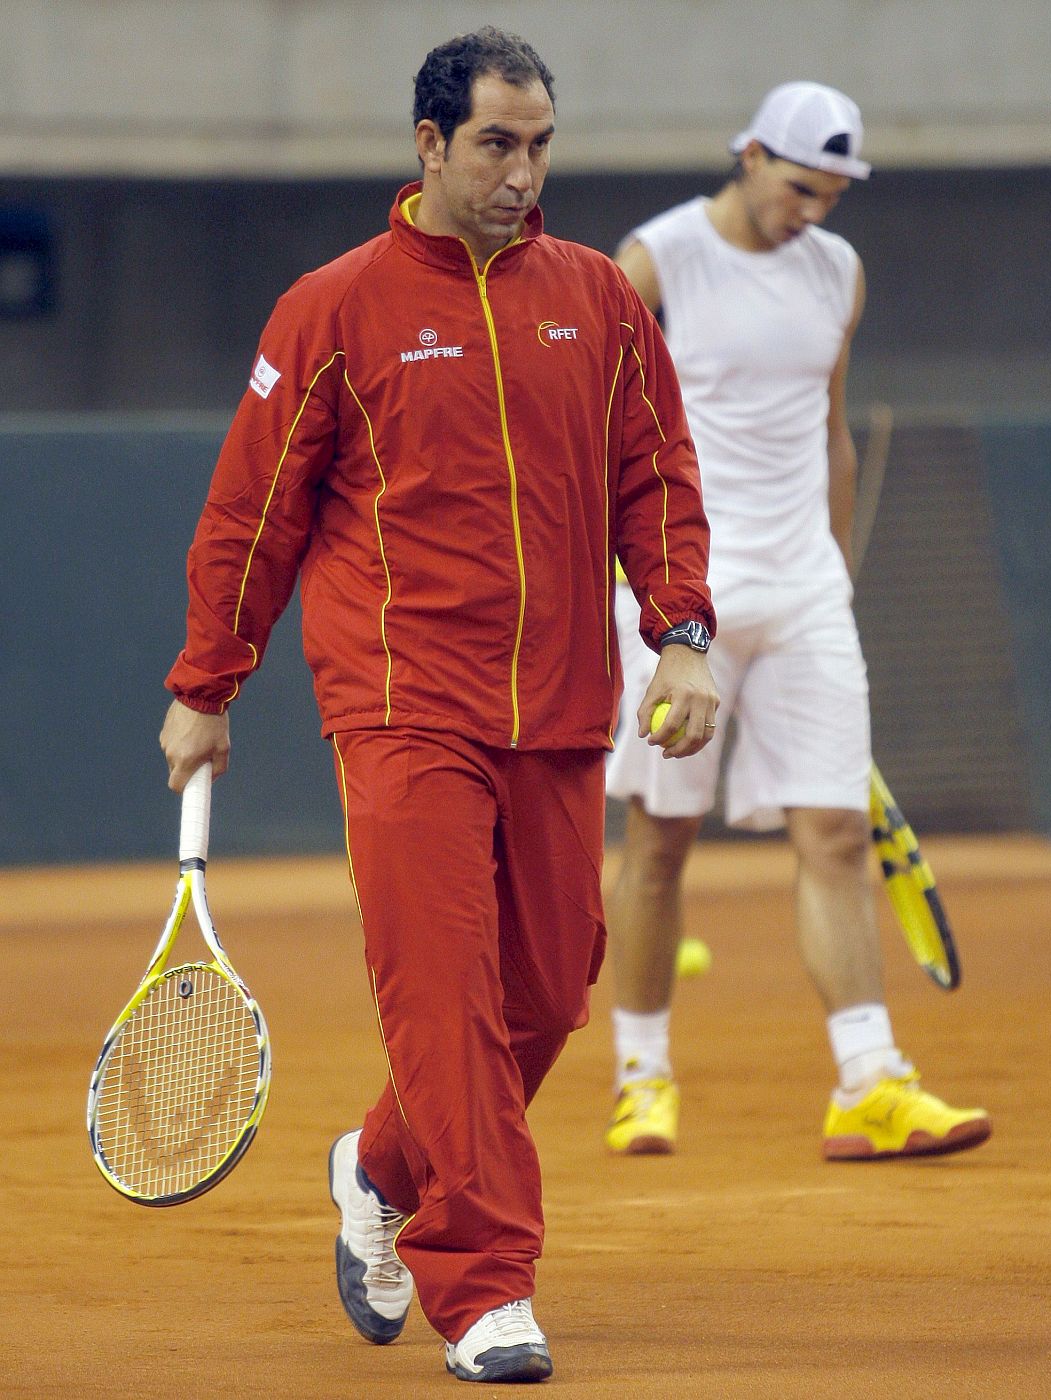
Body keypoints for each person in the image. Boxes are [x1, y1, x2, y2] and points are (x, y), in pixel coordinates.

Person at [159, 27, 719, 1386]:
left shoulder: (597, 296)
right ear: (429, 147)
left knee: (547, 992)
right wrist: (204, 684)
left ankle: (381, 1161)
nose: (524, 172)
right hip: (405, 704)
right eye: (495, 146)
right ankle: (481, 1289)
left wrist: (684, 635)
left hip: (566, 707)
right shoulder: (333, 309)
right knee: (447, 997)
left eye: (540, 146)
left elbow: (657, 475)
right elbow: (251, 517)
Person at [603, 81, 992, 1162]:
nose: (810, 211)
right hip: (682, 601)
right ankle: (642, 1074)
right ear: (748, 155)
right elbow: (596, 435)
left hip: (806, 591)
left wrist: (832, 576)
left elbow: (830, 433)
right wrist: (629, 587)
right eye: (796, 187)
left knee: (832, 835)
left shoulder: (838, 272)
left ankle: (868, 1080)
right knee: (660, 842)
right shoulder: (656, 260)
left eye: (828, 195)